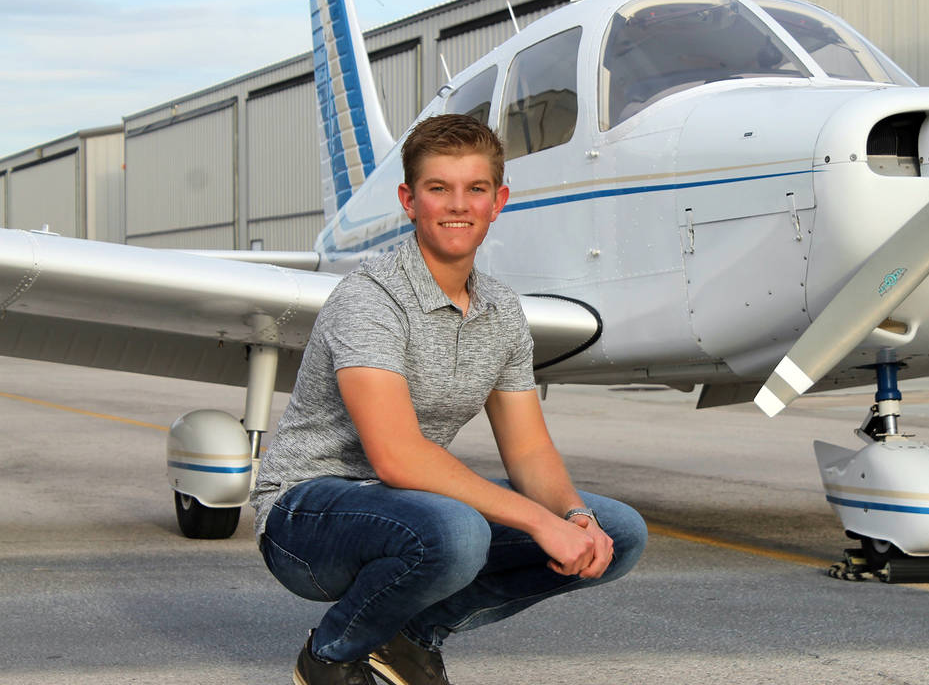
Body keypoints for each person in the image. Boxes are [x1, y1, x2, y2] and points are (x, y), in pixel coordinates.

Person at [250, 114, 647, 685]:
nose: (457, 205)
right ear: (410, 201)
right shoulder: (370, 299)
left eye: (475, 189)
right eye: (438, 189)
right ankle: (332, 656)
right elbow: (398, 457)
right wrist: (540, 522)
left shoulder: (503, 311)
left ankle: (410, 637)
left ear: (497, 200)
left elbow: (530, 449)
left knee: (619, 531)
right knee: (458, 533)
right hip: (305, 516)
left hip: (409, 506)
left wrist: (573, 516)